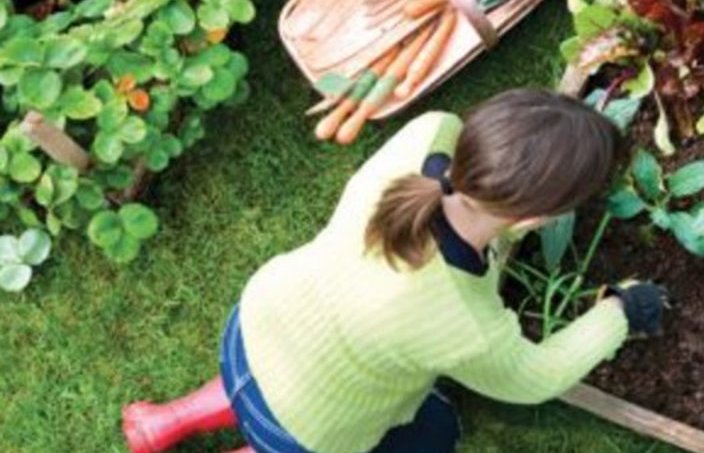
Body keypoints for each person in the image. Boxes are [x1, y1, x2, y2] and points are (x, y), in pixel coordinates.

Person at [122, 88, 667, 453]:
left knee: (270, 375)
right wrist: (622, 311)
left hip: (259, 323)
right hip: (307, 421)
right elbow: (537, 377)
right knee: (436, 435)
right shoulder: (465, 323)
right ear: (533, 218)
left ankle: (164, 422)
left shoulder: (428, 136)